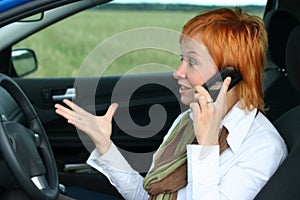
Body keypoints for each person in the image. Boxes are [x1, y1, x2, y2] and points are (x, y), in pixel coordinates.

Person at [55, 7, 288, 200]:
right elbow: (146, 195)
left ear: (228, 76)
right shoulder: (188, 120)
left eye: (192, 62)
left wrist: (206, 148)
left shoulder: (262, 148)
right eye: (181, 59)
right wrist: (105, 145)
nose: (178, 72)